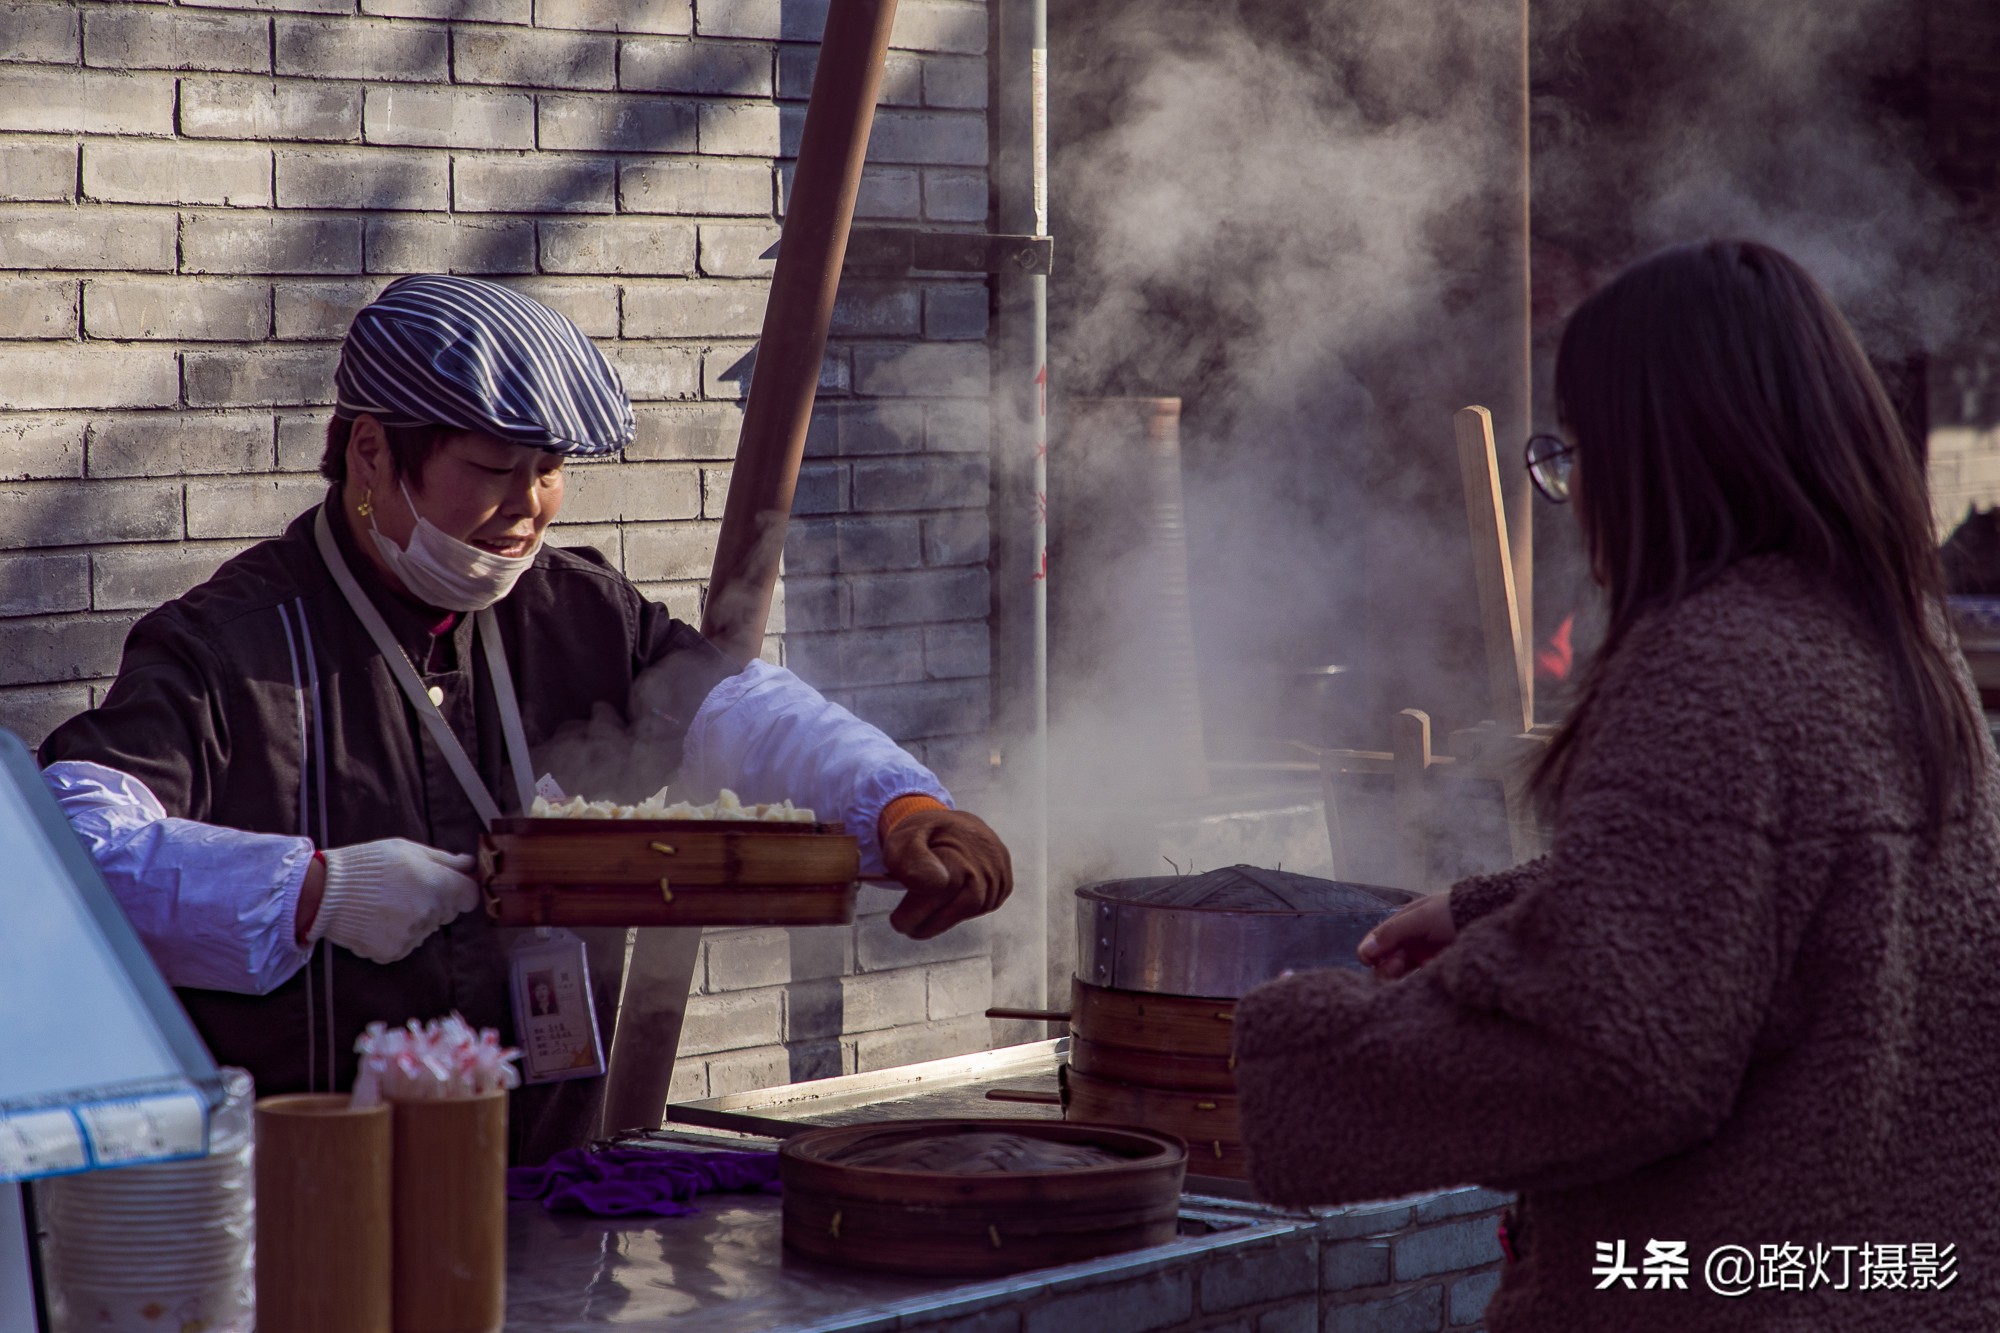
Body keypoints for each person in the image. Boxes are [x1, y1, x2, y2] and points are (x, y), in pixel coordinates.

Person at [40, 275, 1012, 1162]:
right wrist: (314, 891)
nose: (530, 505)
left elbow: (735, 708)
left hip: (546, 1171)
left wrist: (897, 805)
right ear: (371, 453)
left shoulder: (572, 606)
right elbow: (67, 857)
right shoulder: (223, 647)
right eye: (495, 467)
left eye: (548, 469)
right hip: (309, 1190)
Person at [1232, 240, 2000, 1329]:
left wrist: (1296, 1056)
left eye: (1577, 450)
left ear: (1661, 454)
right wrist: (1488, 908)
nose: (1572, 487)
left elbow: (1613, 1055)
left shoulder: (1713, 662)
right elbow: (1781, 893)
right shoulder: (1892, 631)